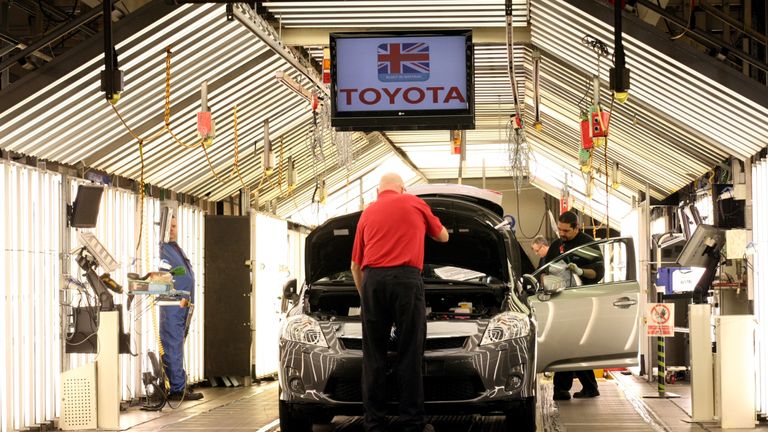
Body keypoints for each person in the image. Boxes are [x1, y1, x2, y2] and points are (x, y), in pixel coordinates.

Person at [350, 173, 449, 432]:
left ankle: (374, 424)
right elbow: (443, 237)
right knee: (409, 353)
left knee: (374, 356)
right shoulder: (414, 203)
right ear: (403, 188)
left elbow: (354, 266)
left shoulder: (367, 213)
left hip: (373, 281)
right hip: (406, 281)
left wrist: (366, 296)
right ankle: (412, 422)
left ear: (378, 191)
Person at [544, 210, 604, 401]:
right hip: (561, 302)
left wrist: (580, 271)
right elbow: (545, 272)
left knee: (574, 344)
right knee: (567, 344)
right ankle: (578, 387)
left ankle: (564, 388)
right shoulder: (556, 245)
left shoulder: (588, 244)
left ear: (576, 228)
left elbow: (598, 273)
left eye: (566, 231)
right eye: (560, 230)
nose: (562, 234)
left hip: (583, 301)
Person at [159, 214, 204, 401]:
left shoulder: (175, 248)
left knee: (176, 343)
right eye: (169, 226)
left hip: (182, 305)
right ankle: (177, 388)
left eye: (175, 226)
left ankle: (179, 383)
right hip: (171, 306)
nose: (172, 229)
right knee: (172, 342)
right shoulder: (162, 250)